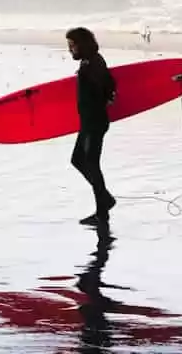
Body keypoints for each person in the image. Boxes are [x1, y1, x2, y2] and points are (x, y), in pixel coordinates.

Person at [66, 27, 117, 225]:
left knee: (91, 164)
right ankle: (105, 199)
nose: (70, 50)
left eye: (72, 45)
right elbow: (110, 83)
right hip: (89, 122)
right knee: (78, 160)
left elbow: (103, 88)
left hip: (93, 123)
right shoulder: (94, 60)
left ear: (82, 45)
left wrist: (106, 97)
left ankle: (102, 212)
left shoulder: (90, 65)